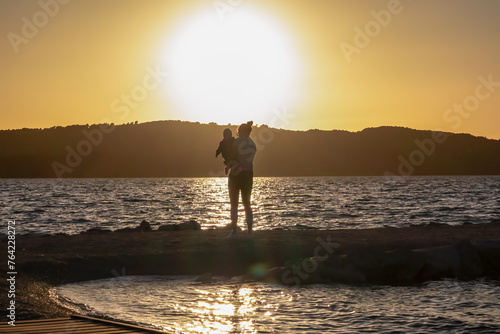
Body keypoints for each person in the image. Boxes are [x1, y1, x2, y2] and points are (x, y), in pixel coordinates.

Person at [226, 121, 257, 239]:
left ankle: (234, 232)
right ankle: (250, 232)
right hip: (248, 174)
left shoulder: (237, 142)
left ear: (240, 131)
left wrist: (228, 166)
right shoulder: (253, 144)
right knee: (247, 203)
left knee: (234, 204)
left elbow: (232, 157)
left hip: (236, 175)